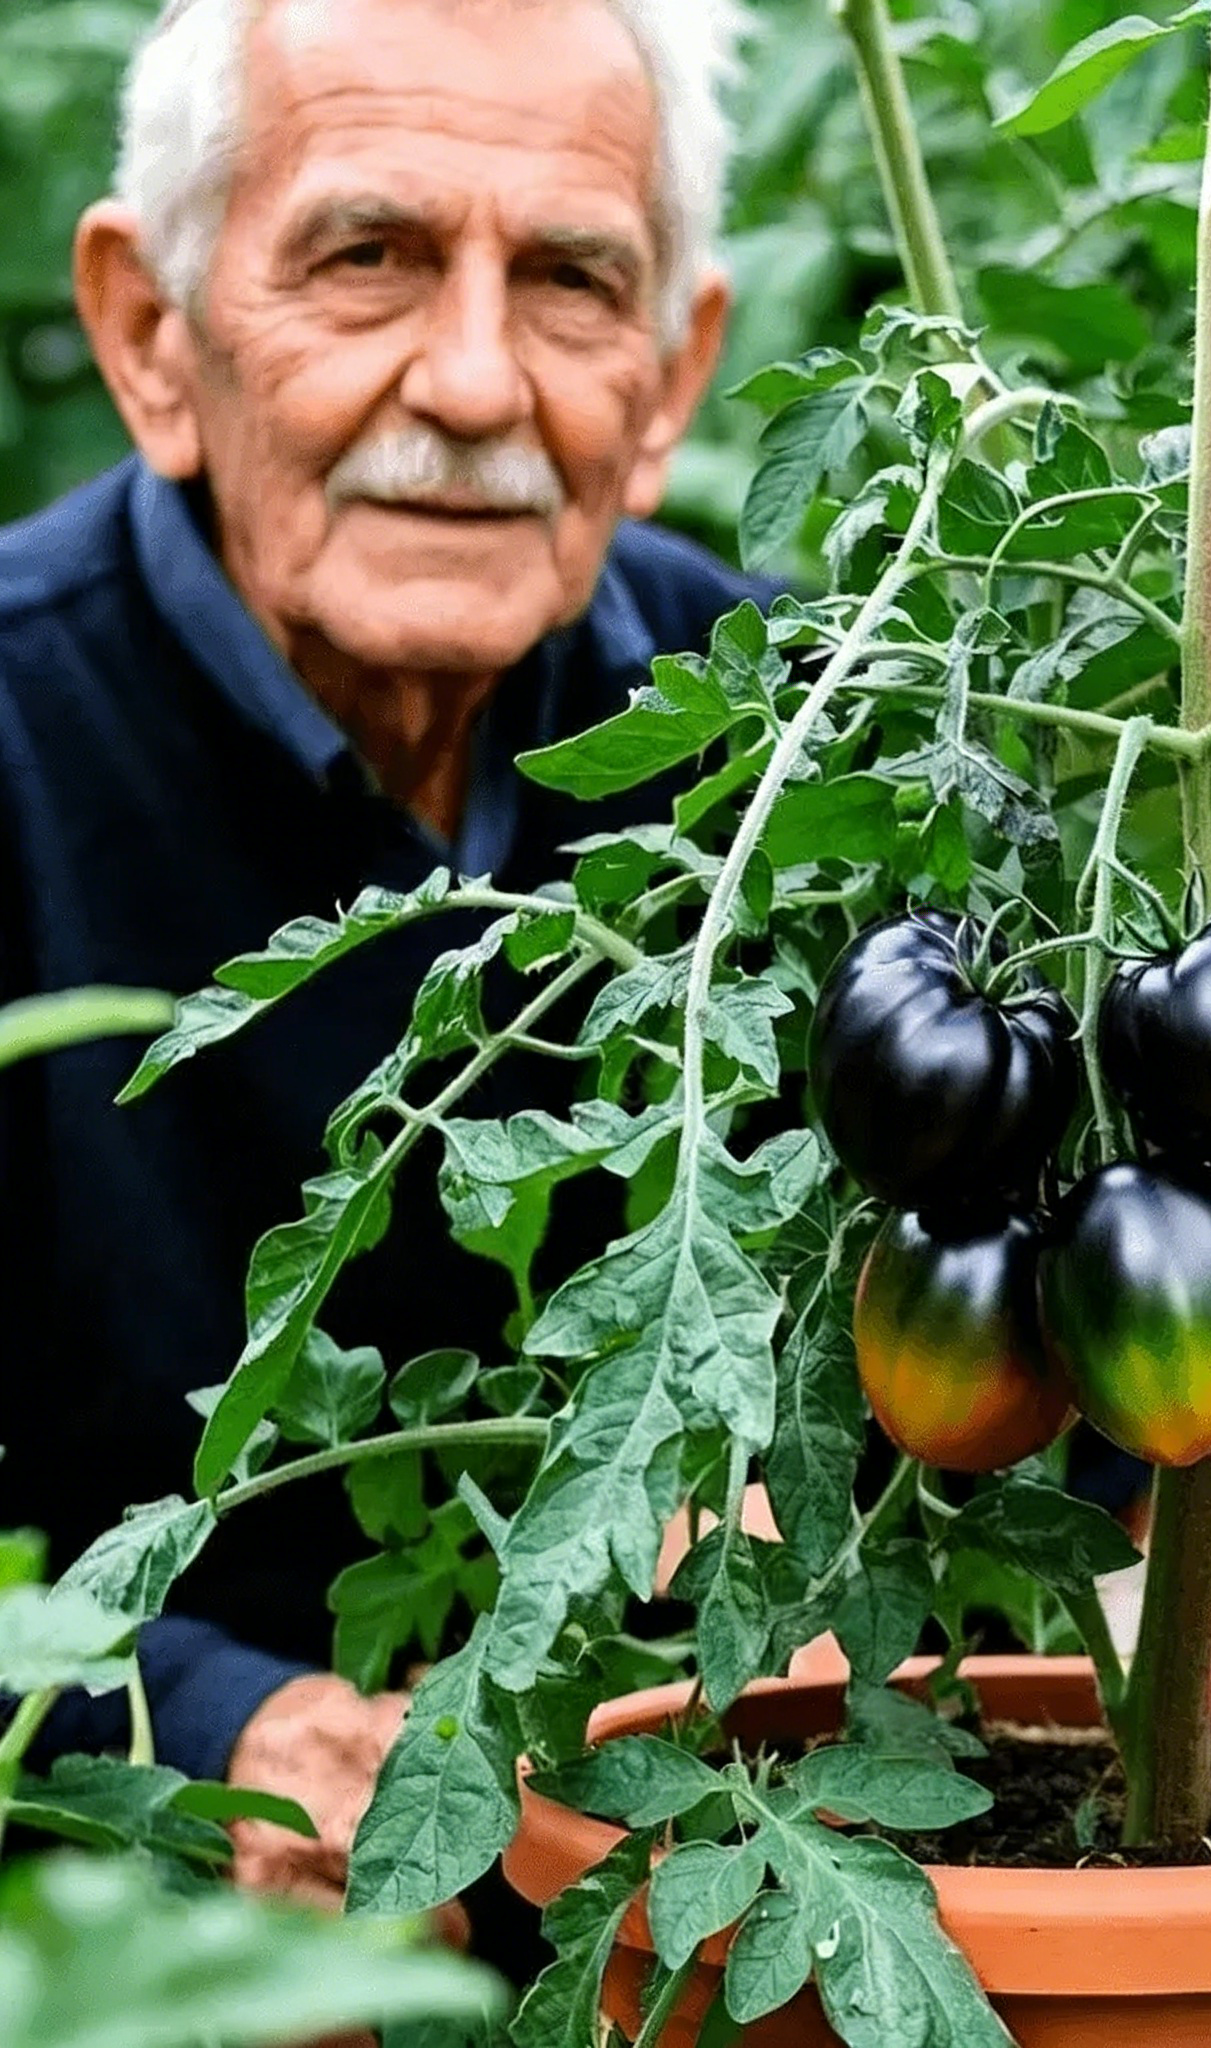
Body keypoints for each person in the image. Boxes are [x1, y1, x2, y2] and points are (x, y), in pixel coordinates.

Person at [0, 0, 763, 1939]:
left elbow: (1078, 1388)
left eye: (575, 280)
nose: (480, 379)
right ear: (152, 333)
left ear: (673, 374)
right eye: (370, 257)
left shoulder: (800, 749)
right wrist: (197, 1727)